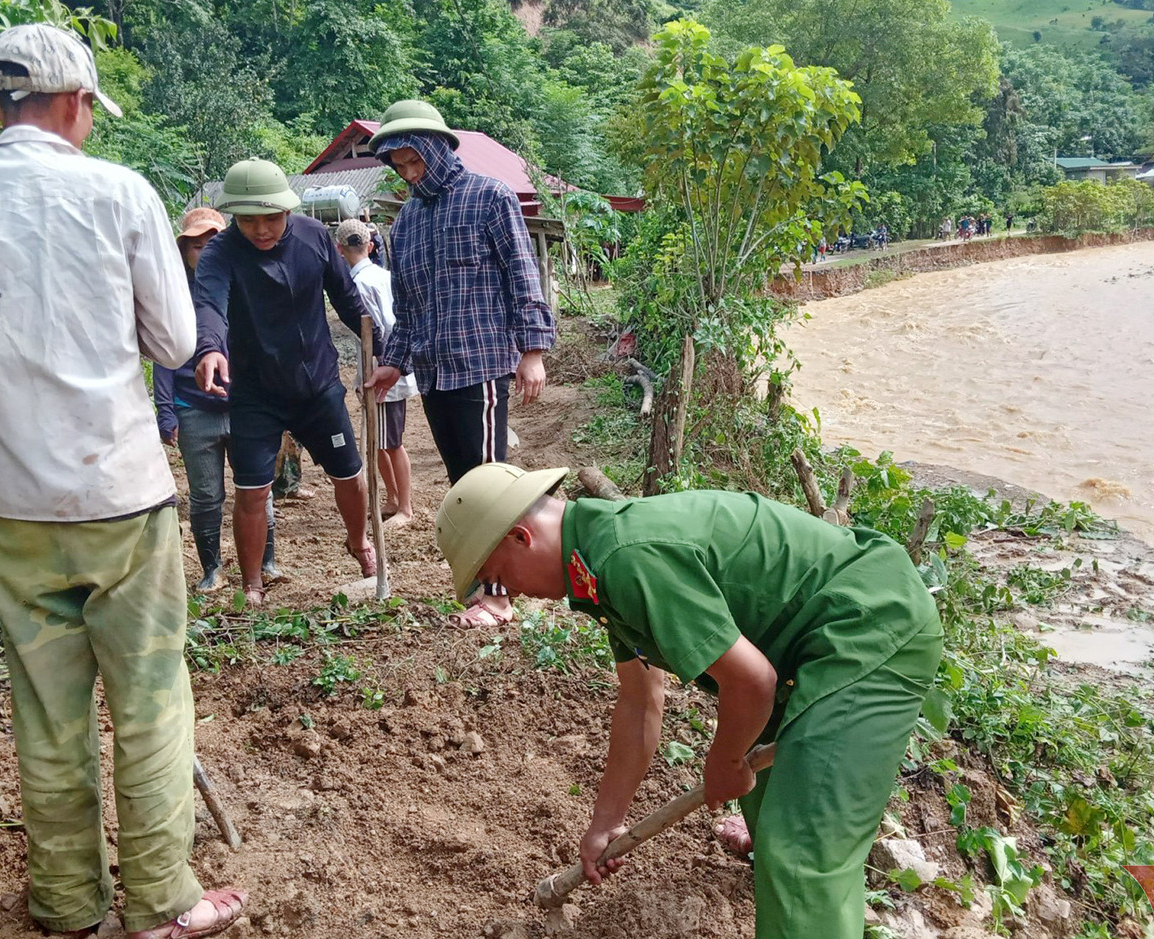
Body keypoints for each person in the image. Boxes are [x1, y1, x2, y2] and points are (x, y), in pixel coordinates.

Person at [0, 24, 245, 938]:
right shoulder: (121, 193)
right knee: (151, 702)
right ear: (81, 104)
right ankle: (161, 901)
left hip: (16, 506)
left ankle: (68, 904)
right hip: (123, 497)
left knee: (47, 714)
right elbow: (174, 342)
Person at [432, 464, 943, 939]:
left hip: (868, 624)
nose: (510, 593)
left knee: (802, 854)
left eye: (499, 577)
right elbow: (640, 701)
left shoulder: (624, 557)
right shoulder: (596, 561)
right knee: (771, 815)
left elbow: (752, 683)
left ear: (521, 537)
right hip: (802, 644)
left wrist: (724, 760)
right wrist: (606, 821)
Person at [363, 99, 556, 628]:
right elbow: (407, 308)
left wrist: (532, 351)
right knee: (464, 487)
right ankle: (484, 584)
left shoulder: (489, 197)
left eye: (414, 161)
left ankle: (499, 596)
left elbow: (522, 275)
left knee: (490, 482)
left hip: (482, 363)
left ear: (438, 151)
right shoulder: (405, 223)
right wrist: (393, 362)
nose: (409, 173)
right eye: (399, 166)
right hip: (434, 371)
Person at [192, 158, 377, 606]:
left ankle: (359, 542)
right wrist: (210, 348)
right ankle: (253, 583)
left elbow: (348, 300)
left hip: (317, 384)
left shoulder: (314, 238)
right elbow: (210, 305)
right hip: (255, 392)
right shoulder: (220, 254)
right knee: (252, 490)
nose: (260, 229)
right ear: (234, 216)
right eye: (248, 220)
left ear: (287, 209)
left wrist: (380, 350)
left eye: (270, 218)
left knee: (349, 474)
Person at [154, 206, 281, 592]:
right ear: (184, 251)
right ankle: (212, 568)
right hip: (193, 409)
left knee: (257, 489)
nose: (205, 252)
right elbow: (164, 357)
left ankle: (267, 562)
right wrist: (166, 411)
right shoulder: (173, 298)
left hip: (247, 407)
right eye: (196, 246)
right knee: (206, 495)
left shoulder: (250, 284)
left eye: (213, 243)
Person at [334, 219, 416, 528]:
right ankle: (393, 499)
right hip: (385, 367)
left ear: (339, 249)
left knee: (390, 442)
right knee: (380, 440)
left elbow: (382, 328)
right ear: (369, 246)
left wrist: (381, 364)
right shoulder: (383, 275)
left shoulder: (360, 284)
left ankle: (405, 506)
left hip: (381, 370)